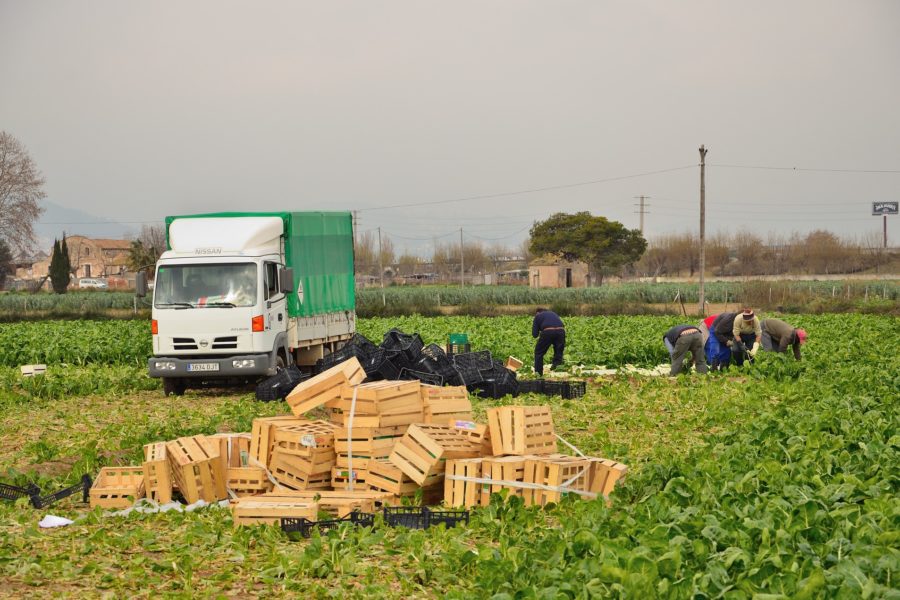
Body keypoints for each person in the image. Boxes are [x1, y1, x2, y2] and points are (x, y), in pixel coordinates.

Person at [532, 308, 565, 376]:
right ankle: (557, 369)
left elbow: (535, 334)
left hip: (548, 331)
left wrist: (540, 329)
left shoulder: (538, 316)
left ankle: (538, 373)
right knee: (558, 350)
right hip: (561, 331)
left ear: (537, 313)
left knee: (538, 353)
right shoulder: (553, 313)